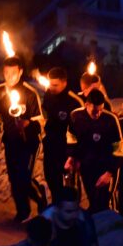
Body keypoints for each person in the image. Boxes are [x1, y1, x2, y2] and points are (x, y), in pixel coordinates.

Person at [0, 56, 47, 222]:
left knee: (24, 177)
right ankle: (23, 211)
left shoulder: (30, 93)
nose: (9, 77)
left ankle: (40, 196)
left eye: (13, 73)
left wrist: (27, 124)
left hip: (29, 143)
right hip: (11, 141)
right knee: (14, 178)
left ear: (20, 72)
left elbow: (40, 122)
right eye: (6, 73)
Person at [65, 89, 123, 213]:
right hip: (86, 166)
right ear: (86, 105)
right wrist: (71, 157)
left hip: (105, 167)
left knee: (105, 204)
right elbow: (71, 138)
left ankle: (110, 223)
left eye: (100, 110)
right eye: (94, 111)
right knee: (92, 201)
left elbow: (119, 149)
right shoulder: (76, 116)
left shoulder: (110, 119)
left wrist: (110, 172)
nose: (97, 114)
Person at [42, 67, 85, 203]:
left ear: (64, 83)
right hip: (51, 145)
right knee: (51, 177)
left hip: (67, 148)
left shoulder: (74, 101)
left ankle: (71, 209)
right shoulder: (48, 95)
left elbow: (80, 131)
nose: (52, 88)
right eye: (50, 84)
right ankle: (57, 205)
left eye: (55, 85)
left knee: (69, 183)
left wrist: (76, 155)